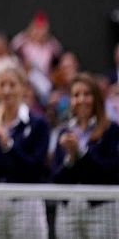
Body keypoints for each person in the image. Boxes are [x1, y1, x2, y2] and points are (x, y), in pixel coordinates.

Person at [0, 63, 50, 239]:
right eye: (2, 85)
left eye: (12, 85)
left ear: (23, 88)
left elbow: (37, 167)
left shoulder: (38, 123)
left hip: (26, 203)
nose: (7, 90)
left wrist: (9, 145)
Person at [51, 73, 119, 238]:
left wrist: (81, 153)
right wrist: (70, 159)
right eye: (76, 95)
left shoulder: (112, 130)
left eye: (87, 94)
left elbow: (111, 172)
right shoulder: (63, 132)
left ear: (96, 98)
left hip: (102, 209)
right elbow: (56, 178)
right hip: (69, 211)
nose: (81, 99)